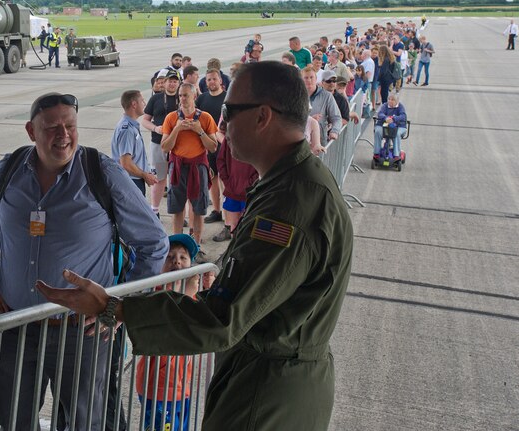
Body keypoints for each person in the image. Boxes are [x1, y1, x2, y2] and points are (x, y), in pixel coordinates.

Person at [38, 61, 354, 431]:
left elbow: (222, 318)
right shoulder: (288, 187)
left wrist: (115, 308)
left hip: (266, 397)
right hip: (266, 382)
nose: (221, 125)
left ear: (263, 117)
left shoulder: (292, 203)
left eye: (230, 112)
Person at [0, 92, 168, 431]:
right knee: (13, 420)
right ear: (30, 131)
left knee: (83, 423)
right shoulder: (9, 170)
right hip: (15, 327)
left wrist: (120, 307)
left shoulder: (100, 173)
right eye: (51, 127)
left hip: (82, 333)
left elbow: (153, 242)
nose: (63, 135)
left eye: (70, 125)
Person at [135, 234, 203, 431]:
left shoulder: (192, 293)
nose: (177, 262)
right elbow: (169, 321)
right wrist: (188, 293)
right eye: (170, 257)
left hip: (183, 386)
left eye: (183, 257)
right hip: (159, 388)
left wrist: (208, 285)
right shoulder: (156, 291)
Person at [161, 82, 218, 247]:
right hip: (177, 167)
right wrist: (177, 129)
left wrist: (199, 131)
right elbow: (165, 147)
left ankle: (197, 244)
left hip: (197, 167)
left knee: (198, 209)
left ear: (194, 96)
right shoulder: (171, 118)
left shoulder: (205, 118)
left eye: (186, 95)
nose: (182, 99)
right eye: (180, 95)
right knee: (177, 208)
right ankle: (178, 244)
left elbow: (213, 147)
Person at [141, 71, 181, 218]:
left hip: (179, 144)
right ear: (163, 83)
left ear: (179, 83)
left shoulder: (183, 98)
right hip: (158, 143)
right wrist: (155, 128)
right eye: (169, 81)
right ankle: (155, 211)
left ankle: (178, 211)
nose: (172, 84)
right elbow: (144, 120)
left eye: (175, 81)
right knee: (159, 178)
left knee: (177, 178)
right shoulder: (156, 99)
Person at [112, 90, 159, 194]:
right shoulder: (127, 130)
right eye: (142, 101)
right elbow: (126, 163)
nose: (145, 104)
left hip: (134, 180)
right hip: (131, 182)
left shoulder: (131, 126)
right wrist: (145, 175)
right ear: (134, 104)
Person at [197, 70, 227, 226]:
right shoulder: (202, 99)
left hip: (225, 145)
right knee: (213, 178)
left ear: (220, 80)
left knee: (225, 179)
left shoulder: (227, 98)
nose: (212, 82)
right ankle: (216, 210)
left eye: (214, 79)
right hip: (208, 146)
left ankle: (228, 213)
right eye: (209, 79)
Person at [303, 67, 341, 147]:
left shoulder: (327, 96)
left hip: (319, 142)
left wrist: (334, 131)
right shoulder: (296, 96)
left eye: (311, 77)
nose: (309, 80)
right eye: (306, 78)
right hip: (302, 142)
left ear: (316, 78)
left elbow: (336, 117)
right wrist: (310, 119)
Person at [373, 93, 408, 159]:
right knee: (377, 131)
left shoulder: (400, 107)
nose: (390, 101)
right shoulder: (385, 105)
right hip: (383, 125)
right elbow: (380, 113)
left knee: (396, 134)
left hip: (399, 126)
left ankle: (396, 154)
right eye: (389, 99)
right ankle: (376, 153)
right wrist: (385, 118)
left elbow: (403, 116)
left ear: (397, 101)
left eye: (392, 100)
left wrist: (394, 119)